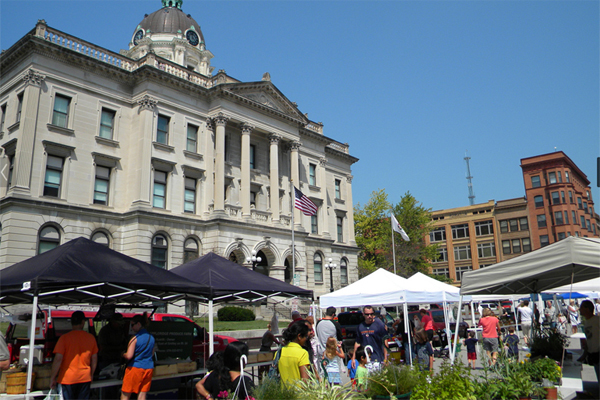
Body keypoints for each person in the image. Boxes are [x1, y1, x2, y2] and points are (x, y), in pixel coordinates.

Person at [50, 311, 98, 400]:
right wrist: (91, 374)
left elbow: (58, 359)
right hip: (85, 377)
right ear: (83, 322)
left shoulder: (64, 338)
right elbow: (94, 359)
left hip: (67, 378)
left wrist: (53, 377)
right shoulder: (91, 338)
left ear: (71, 322)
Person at [121, 314, 156, 400]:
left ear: (139, 324)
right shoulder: (151, 337)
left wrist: (122, 354)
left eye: (132, 325)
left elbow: (129, 356)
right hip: (148, 368)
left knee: (126, 394)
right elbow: (152, 353)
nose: (131, 327)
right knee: (142, 394)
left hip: (135, 368)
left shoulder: (135, 338)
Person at [579, 300, 599, 380]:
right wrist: (584, 354)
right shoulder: (586, 322)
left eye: (581, 307)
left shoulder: (597, 320)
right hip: (593, 355)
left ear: (587, 309)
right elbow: (588, 339)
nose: (579, 309)